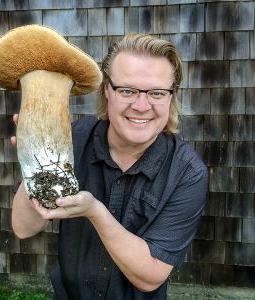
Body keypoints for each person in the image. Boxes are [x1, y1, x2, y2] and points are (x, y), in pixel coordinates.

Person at [11, 33, 208, 300]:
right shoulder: (75, 139)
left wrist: (95, 212)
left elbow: (150, 276)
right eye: (127, 90)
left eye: (157, 93)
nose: (141, 106)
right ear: (106, 90)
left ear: (171, 97)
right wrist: (34, 159)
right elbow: (24, 228)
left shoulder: (187, 173)